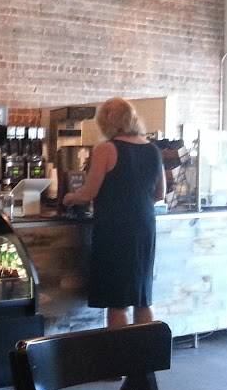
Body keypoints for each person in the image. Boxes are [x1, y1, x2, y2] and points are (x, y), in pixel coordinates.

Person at [62, 98, 165, 329]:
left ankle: (120, 350)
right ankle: (146, 350)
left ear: (107, 122)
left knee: (117, 301)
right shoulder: (153, 149)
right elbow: (160, 193)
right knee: (142, 296)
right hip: (145, 225)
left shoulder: (106, 149)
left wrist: (70, 197)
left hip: (115, 228)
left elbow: (89, 192)